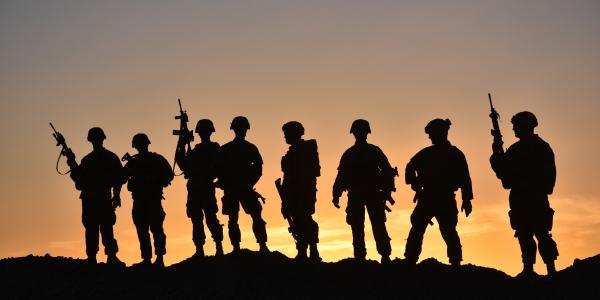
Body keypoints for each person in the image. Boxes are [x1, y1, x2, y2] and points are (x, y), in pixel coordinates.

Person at [490, 111, 558, 276]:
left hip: (534, 196)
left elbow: (549, 173)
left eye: (516, 126)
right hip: (520, 197)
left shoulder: (541, 147)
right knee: (523, 234)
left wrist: (537, 187)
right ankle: (528, 268)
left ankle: (550, 267)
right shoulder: (515, 149)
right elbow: (502, 171)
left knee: (541, 233)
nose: (514, 129)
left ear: (526, 126)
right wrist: (497, 150)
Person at [404, 119, 473, 267]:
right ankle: (410, 259)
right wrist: (414, 183)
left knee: (447, 230)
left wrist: (467, 199)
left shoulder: (454, 154)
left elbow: (464, 178)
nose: (429, 137)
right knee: (419, 228)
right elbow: (410, 167)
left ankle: (455, 261)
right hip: (430, 197)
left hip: (443, 198)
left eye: (431, 134)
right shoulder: (434, 153)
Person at [332, 119, 396, 264]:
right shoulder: (356, 153)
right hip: (358, 195)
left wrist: (386, 191)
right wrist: (336, 193)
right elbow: (342, 176)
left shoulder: (361, 152)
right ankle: (365, 256)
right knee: (359, 226)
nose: (360, 134)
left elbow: (387, 172)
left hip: (371, 194)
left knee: (375, 225)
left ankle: (382, 255)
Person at [67, 127, 125, 266]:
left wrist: (116, 195)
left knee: (105, 227)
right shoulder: (90, 159)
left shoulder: (107, 158)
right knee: (92, 228)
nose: (96, 141)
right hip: (91, 198)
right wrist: (71, 161)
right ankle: (93, 257)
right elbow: (79, 179)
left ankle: (110, 256)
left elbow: (118, 178)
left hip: (101, 197)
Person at [217, 116, 269, 253]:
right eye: (241, 128)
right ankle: (238, 247)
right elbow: (219, 170)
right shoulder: (227, 149)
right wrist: (224, 183)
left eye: (243, 129)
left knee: (255, 216)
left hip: (244, 189)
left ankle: (261, 245)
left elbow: (258, 169)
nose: (243, 131)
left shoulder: (247, 148)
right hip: (233, 189)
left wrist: (248, 183)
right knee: (234, 219)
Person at [175, 119, 224, 258]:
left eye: (204, 131)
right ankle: (199, 249)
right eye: (201, 132)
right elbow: (184, 166)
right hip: (194, 188)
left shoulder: (214, 148)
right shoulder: (195, 150)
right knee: (196, 219)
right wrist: (182, 145)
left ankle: (218, 247)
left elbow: (219, 167)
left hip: (206, 186)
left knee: (210, 218)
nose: (203, 134)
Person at [123, 133, 173, 267]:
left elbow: (169, 175)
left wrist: (154, 179)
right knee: (143, 230)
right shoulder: (134, 161)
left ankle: (159, 258)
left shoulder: (156, 159)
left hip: (152, 199)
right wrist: (132, 171)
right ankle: (148, 259)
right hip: (140, 200)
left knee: (155, 229)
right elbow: (121, 177)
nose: (140, 147)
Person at [279, 121, 321, 260]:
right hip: (293, 192)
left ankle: (313, 250)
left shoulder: (307, 147)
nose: (285, 136)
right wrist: (285, 198)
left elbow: (311, 171)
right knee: (298, 221)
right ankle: (302, 251)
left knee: (305, 220)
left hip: (304, 191)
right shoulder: (290, 154)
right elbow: (287, 177)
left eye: (287, 134)